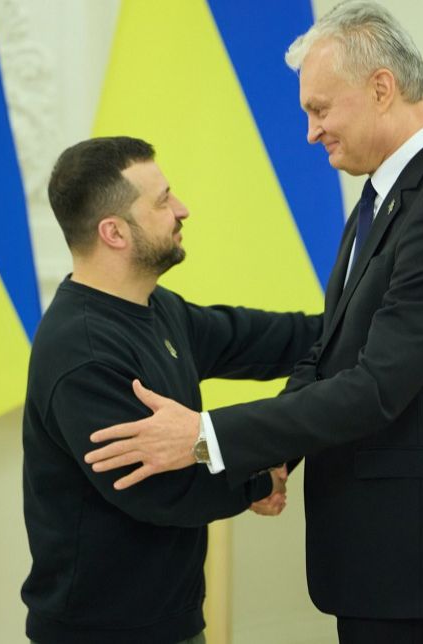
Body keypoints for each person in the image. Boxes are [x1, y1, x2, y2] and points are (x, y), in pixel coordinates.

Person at [84, 3, 423, 643]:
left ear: (381, 88)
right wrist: (268, 458)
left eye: (320, 109)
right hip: (388, 559)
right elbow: (329, 351)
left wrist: (205, 437)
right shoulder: (385, 196)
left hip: (419, 562)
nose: (311, 133)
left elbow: (375, 389)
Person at [21, 136, 321, 644]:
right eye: (162, 201)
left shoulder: (154, 307)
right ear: (114, 232)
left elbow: (262, 340)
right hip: (102, 634)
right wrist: (260, 477)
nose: (182, 209)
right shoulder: (84, 354)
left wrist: (361, 322)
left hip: (168, 621)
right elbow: (164, 490)